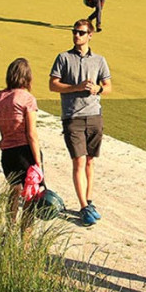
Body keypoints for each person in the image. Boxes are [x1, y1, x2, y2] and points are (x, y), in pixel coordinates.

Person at [49, 19, 111, 226]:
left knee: (90, 161)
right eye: (75, 32)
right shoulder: (63, 58)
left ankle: (89, 200)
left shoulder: (99, 60)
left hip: (94, 116)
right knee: (78, 161)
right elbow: (53, 85)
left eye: (81, 33)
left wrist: (98, 90)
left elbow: (108, 86)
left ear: (90, 35)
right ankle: (83, 206)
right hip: (72, 116)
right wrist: (76, 87)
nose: (77, 36)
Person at [0, 57, 42, 233]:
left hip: (7, 153)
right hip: (25, 151)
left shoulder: (0, 97)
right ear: (27, 77)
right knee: (29, 196)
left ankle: (9, 229)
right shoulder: (27, 99)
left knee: (13, 192)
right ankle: (25, 238)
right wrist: (38, 161)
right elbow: (32, 134)